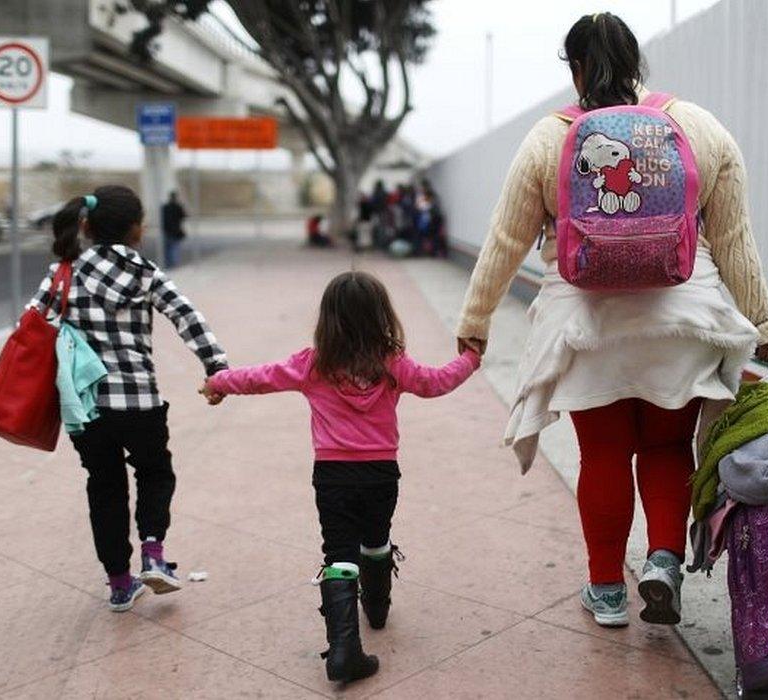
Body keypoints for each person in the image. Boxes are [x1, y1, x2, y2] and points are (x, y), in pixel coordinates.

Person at [455, 12, 768, 629]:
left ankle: (607, 593)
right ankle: (663, 564)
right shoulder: (698, 127)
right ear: (638, 63)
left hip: (588, 327)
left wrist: (476, 321)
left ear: (577, 68)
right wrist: (767, 325)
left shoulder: (546, 139)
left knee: (605, 456)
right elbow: (733, 237)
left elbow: (506, 238)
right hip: (684, 320)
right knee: (667, 450)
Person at [200, 271, 480, 684]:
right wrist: (471, 358)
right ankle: (378, 607)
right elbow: (435, 382)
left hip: (331, 476)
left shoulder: (313, 364)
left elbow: (260, 377)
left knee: (339, 553)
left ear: (328, 319)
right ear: (380, 315)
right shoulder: (392, 363)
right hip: (381, 474)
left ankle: (345, 650)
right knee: (376, 539)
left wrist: (218, 382)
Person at [29, 185, 228, 612]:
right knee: (155, 473)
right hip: (140, 400)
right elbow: (186, 316)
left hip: (86, 408)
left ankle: (120, 583)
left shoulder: (64, 272)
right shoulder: (145, 272)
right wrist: (217, 368)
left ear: (88, 225)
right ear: (136, 228)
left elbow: (32, 326)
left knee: (104, 488)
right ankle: (153, 552)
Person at [161, 190, 187, 268]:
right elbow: (184, 216)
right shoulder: (178, 207)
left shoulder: (165, 207)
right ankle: (174, 263)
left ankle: (169, 263)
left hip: (167, 230)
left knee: (168, 248)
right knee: (174, 248)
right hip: (175, 230)